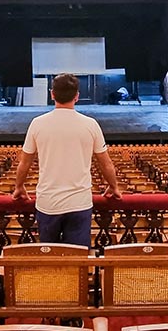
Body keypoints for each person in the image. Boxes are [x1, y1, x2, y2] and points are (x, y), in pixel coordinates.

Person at [12, 73, 122, 247]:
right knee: (78, 261)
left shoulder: (37, 124)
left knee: (50, 261)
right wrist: (114, 186)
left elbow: (24, 163)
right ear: (77, 96)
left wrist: (19, 187)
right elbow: (105, 163)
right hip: (79, 203)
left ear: (52, 94)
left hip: (48, 203)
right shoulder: (91, 124)